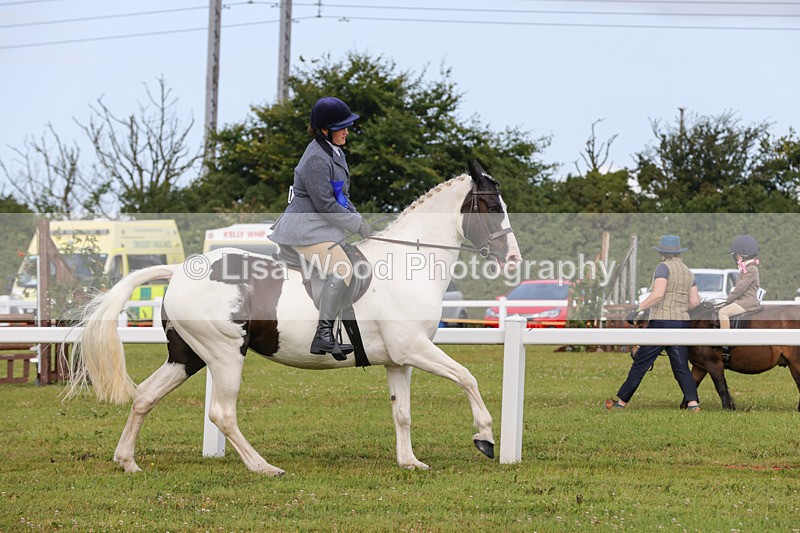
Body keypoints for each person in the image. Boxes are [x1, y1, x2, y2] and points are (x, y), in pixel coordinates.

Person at [270, 96, 372, 357]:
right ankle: (323, 335)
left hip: (318, 227)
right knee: (342, 268)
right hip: (304, 229)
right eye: (342, 127)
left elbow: (342, 198)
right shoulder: (316, 158)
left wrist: (361, 221)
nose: (347, 132)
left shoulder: (335, 152)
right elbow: (326, 205)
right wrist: (357, 225)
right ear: (325, 130)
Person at [605, 235, 702, 412]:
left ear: (662, 253)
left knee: (641, 362)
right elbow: (695, 302)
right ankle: (693, 404)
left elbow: (658, 294)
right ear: (679, 252)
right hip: (681, 323)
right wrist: (679, 307)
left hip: (662, 323)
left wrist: (637, 309)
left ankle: (621, 403)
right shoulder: (688, 272)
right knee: (681, 366)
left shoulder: (663, 268)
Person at [718, 235, 761, 330]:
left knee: (723, 312)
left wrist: (728, 300)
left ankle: (725, 340)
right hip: (742, 301)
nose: (735, 257)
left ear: (742, 255)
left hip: (746, 303)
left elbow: (740, 289)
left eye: (736, 254)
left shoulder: (751, 269)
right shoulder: (747, 268)